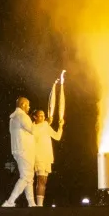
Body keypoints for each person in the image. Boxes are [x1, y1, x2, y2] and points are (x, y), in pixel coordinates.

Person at [30, 72, 66, 206]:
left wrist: (60, 126)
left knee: (44, 180)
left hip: (47, 157)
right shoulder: (32, 127)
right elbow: (36, 135)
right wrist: (47, 124)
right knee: (40, 180)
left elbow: (57, 137)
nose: (43, 117)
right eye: (40, 115)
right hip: (38, 157)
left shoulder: (45, 125)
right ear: (35, 117)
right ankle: (37, 205)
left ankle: (40, 204)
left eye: (43, 115)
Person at [3, 96, 36, 206]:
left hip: (18, 149)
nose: (29, 107)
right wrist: (44, 124)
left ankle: (31, 203)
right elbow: (33, 130)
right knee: (26, 177)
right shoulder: (22, 116)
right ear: (23, 105)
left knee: (28, 177)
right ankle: (10, 201)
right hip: (24, 150)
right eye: (28, 105)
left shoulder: (13, 117)